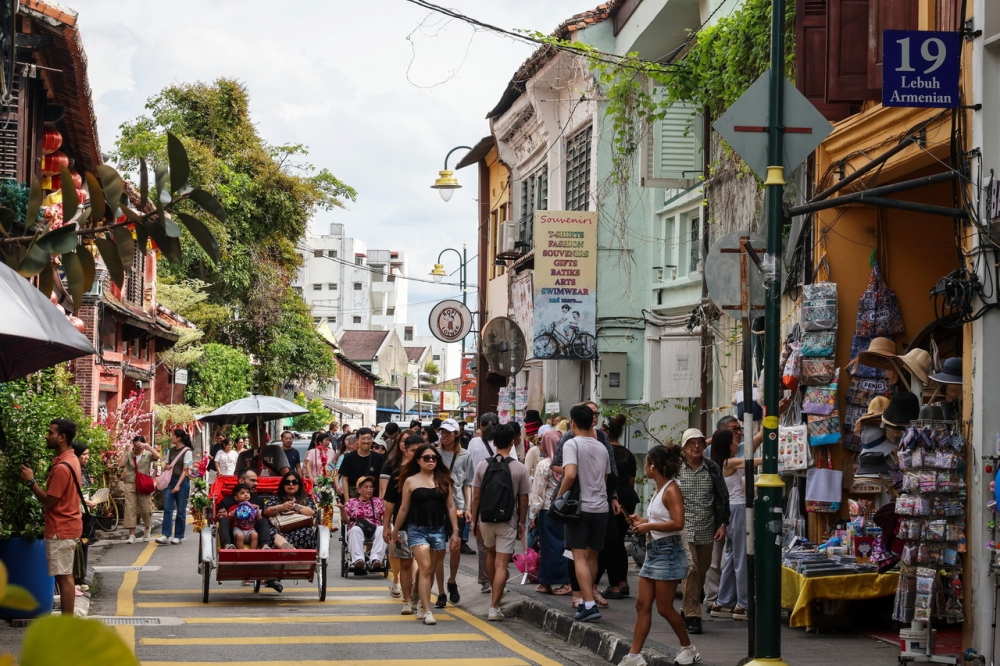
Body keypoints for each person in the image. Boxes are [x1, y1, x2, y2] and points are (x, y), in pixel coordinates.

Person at [619, 445, 699, 666]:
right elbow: (663, 520)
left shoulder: (672, 489)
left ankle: (688, 648)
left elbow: (678, 522)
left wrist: (649, 526)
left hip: (668, 552)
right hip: (655, 552)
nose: (644, 466)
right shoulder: (659, 489)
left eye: (646, 462)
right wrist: (641, 521)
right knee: (642, 604)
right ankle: (634, 656)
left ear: (653, 465)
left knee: (664, 607)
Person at [392, 443, 460, 626]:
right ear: (418, 460)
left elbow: (451, 506)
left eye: (434, 458)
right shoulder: (410, 481)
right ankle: (427, 610)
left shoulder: (444, 480)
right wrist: (395, 530)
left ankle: (419, 598)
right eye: (426, 458)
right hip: (417, 529)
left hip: (439, 529)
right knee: (425, 566)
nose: (431, 460)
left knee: (428, 570)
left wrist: (455, 531)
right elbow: (404, 508)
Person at [556, 404, 612, 623]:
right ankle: (590, 599)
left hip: (580, 508)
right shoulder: (602, 447)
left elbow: (569, 475)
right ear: (592, 422)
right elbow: (605, 481)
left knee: (578, 556)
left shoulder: (572, 444)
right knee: (593, 555)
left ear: (572, 423)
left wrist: (560, 498)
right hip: (601, 508)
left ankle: (587, 603)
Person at [20, 419, 82, 616]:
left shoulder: (63, 467)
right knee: (65, 575)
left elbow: (50, 501)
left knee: (64, 577)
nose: (47, 436)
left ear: (62, 437)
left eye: (50, 432)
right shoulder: (70, 460)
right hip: (68, 526)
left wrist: (31, 482)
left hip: (60, 528)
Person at [470, 422, 531, 621]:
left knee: (491, 554)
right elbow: (523, 498)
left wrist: (474, 520)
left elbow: (476, 496)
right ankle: (494, 607)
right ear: (512, 441)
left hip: (486, 519)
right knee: (501, 563)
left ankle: (493, 589)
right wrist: (522, 522)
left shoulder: (483, 465)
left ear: (494, 442)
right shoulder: (519, 468)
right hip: (508, 520)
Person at [676, 428, 729, 635]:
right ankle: (694, 616)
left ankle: (684, 609)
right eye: (691, 443)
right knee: (690, 568)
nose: (696, 446)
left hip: (707, 526)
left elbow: (722, 496)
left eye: (699, 442)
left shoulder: (712, 467)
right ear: (684, 447)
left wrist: (723, 523)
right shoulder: (676, 468)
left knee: (701, 572)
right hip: (684, 526)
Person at [709, 428, 753, 621]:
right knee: (741, 556)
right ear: (727, 445)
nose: (738, 443)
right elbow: (753, 461)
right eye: (734, 440)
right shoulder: (729, 462)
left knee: (731, 556)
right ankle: (743, 604)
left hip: (729, 511)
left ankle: (723, 601)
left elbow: (754, 446)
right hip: (738, 509)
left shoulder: (718, 463)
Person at [433, 419, 472, 608]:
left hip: (458, 507)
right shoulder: (434, 454)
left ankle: (452, 581)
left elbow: (468, 483)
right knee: (438, 550)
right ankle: (440, 591)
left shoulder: (465, 455)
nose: (445, 435)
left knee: (455, 547)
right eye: (442, 432)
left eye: (449, 432)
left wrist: (469, 508)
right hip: (437, 506)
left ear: (457, 433)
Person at [599, 414, 639, 600]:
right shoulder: (628, 454)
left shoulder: (604, 452)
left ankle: (615, 584)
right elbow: (631, 481)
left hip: (611, 498)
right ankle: (622, 581)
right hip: (628, 498)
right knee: (619, 541)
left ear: (606, 432)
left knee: (610, 542)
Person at [383, 433, 423, 609]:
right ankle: (407, 601)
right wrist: (387, 526)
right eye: (413, 451)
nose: (417, 455)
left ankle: (418, 596)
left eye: (420, 451)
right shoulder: (397, 475)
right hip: (403, 525)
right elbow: (390, 503)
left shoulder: (432, 473)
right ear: (405, 451)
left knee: (424, 564)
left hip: (425, 525)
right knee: (406, 562)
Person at [529, 428, 570, 595]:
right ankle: (567, 581)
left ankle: (547, 582)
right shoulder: (569, 463)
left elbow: (538, 492)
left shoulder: (544, 465)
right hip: (567, 510)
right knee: (566, 547)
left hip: (548, 511)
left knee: (548, 547)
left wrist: (533, 514)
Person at [339, 476, 387, 572]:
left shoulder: (378, 501)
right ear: (359, 489)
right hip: (358, 529)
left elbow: (383, 517)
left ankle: (375, 559)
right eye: (366, 487)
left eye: (371, 487)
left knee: (383, 529)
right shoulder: (351, 502)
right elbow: (346, 519)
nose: (369, 490)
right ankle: (358, 560)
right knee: (355, 530)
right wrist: (342, 510)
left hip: (374, 528)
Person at [217, 469, 271, 550]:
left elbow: (260, 521)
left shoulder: (258, 501)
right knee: (223, 521)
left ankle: (265, 545)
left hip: (252, 531)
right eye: (252, 480)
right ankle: (227, 545)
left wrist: (257, 512)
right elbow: (221, 520)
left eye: (256, 481)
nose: (256, 484)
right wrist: (222, 516)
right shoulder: (226, 501)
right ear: (241, 480)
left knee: (264, 521)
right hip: (234, 532)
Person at [263, 471, 317, 550]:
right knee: (269, 532)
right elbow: (266, 513)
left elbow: (312, 513)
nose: (291, 484)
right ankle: (286, 546)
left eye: (294, 482)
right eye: (287, 482)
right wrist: (280, 507)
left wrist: (295, 505)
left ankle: (287, 547)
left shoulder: (307, 500)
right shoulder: (275, 499)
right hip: (278, 530)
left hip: (299, 530)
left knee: (308, 532)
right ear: (283, 485)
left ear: (299, 485)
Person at [119, 435, 159, 543]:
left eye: (139, 445)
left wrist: (147, 446)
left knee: (145, 508)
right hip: (131, 483)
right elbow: (121, 464)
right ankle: (132, 534)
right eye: (135, 445)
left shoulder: (148, 454)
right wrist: (125, 451)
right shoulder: (129, 454)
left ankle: (147, 527)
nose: (137, 447)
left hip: (144, 484)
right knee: (130, 508)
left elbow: (157, 456)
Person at [156, 428, 193, 545]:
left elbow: (185, 471)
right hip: (169, 480)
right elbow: (166, 466)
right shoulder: (170, 451)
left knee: (181, 510)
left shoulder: (187, 451)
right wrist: (165, 468)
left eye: (173, 436)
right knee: (168, 508)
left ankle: (178, 536)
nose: (171, 437)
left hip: (182, 482)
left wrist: (177, 485)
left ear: (179, 438)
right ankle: (165, 534)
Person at [339, 428, 385, 499]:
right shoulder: (349, 457)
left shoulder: (379, 458)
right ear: (357, 441)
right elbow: (345, 479)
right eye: (363, 438)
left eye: (369, 438)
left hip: (374, 499)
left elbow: (382, 481)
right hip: (354, 499)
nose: (366, 441)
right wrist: (347, 500)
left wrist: (380, 499)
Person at [230, 484, 260, 549]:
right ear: (236, 497)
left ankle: (252, 554)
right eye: (242, 493)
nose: (246, 494)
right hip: (238, 529)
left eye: (247, 492)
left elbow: (259, 519)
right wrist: (230, 515)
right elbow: (228, 519)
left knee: (255, 535)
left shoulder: (253, 507)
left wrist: (257, 511)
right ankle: (241, 555)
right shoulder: (234, 507)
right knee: (239, 536)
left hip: (250, 529)